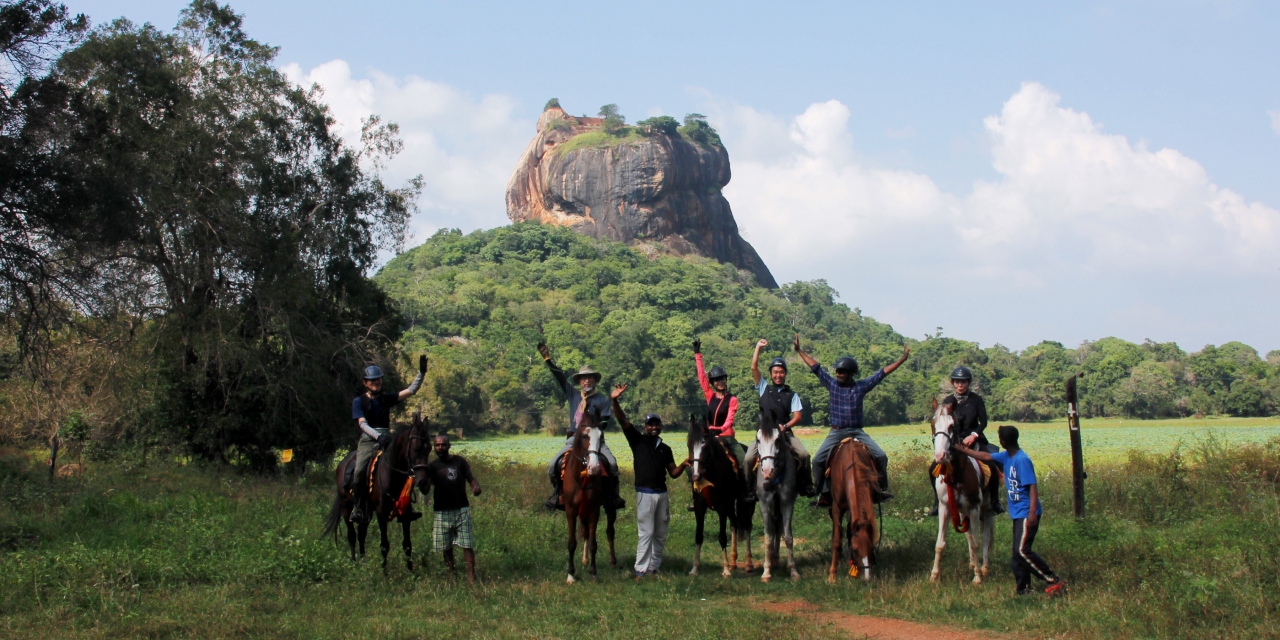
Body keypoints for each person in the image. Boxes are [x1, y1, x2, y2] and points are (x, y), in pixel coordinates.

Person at [795, 334, 909, 507]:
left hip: (857, 432)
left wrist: (902, 359)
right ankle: (823, 494)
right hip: (837, 431)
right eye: (838, 371)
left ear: (851, 374)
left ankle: (879, 489)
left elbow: (882, 374)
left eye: (842, 372)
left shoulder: (860, 387)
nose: (839, 374)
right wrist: (799, 350)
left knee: (881, 456)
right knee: (818, 460)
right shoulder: (832, 384)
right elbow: (815, 367)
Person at [955, 426, 1065, 597]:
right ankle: (1023, 590)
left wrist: (1032, 512)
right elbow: (984, 456)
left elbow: (1032, 488)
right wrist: (963, 450)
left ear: (1003, 441)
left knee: (1022, 551)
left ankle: (1052, 579)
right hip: (1018, 513)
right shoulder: (1007, 456)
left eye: (1000, 438)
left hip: (1026, 513)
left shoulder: (1022, 460)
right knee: (1016, 555)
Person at [609, 384, 690, 580]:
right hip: (644, 493)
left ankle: (654, 567)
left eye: (656, 424)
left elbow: (673, 473)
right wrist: (614, 400)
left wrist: (685, 464)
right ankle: (640, 570)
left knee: (661, 532)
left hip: (662, 493)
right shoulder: (638, 440)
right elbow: (622, 420)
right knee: (646, 532)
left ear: (660, 426)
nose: (653, 427)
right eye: (650, 424)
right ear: (645, 427)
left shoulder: (665, 448)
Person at [537, 342, 624, 511]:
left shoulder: (604, 400)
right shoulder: (573, 395)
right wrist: (548, 359)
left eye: (590, 377)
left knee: (612, 465)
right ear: (579, 381)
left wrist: (593, 431)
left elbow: (605, 422)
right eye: (584, 378)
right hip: (573, 440)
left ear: (595, 380)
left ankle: (613, 497)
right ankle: (558, 494)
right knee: (552, 465)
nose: (587, 380)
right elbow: (560, 378)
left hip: (596, 442)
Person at [348, 355, 427, 524]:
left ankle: (407, 506)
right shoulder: (359, 401)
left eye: (378, 379)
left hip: (387, 439)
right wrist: (377, 436)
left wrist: (421, 373)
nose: (376, 382)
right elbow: (362, 424)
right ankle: (358, 507)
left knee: (408, 468)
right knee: (359, 471)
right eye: (372, 380)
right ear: (365, 383)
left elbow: (411, 390)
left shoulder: (386, 398)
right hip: (369, 440)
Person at [744, 339, 814, 498]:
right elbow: (753, 367)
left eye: (781, 372)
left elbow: (798, 416)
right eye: (775, 372)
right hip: (764, 434)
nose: (778, 375)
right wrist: (758, 348)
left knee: (804, 455)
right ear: (771, 374)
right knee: (748, 458)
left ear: (785, 374)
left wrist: (785, 426)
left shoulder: (792, 394)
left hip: (784, 433)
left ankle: (806, 485)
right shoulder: (763, 388)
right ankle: (749, 489)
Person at [929, 365, 1002, 516]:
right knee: (932, 469)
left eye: (963, 382)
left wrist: (973, 435)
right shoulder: (948, 401)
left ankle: (995, 501)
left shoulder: (976, 400)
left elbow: (983, 422)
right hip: (955, 443)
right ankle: (937, 501)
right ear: (953, 383)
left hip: (974, 441)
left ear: (968, 383)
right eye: (957, 382)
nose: (960, 385)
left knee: (992, 464)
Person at [424, 434, 481, 583]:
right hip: (442, 511)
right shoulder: (432, 466)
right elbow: (425, 489)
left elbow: (471, 478)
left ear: (449, 446)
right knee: (446, 547)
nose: (440, 447)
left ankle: (471, 578)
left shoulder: (459, 461)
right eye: (437, 445)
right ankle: (451, 576)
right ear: (434, 448)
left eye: (443, 445)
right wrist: (418, 479)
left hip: (461, 509)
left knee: (467, 545)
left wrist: (475, 486)